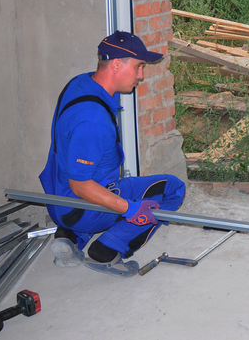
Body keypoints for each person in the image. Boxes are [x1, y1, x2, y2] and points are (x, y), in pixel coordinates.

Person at [39, 31, 186, 277]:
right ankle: (108, 248)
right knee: (172, 189)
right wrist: (129, 209)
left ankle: (71, 236)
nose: (141, 75)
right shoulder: (94, 121)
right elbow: (81, 186)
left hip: (58, 200)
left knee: (103, 183)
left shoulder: (80, 83)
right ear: (116, 64)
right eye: (138, 67)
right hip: (77, 204)